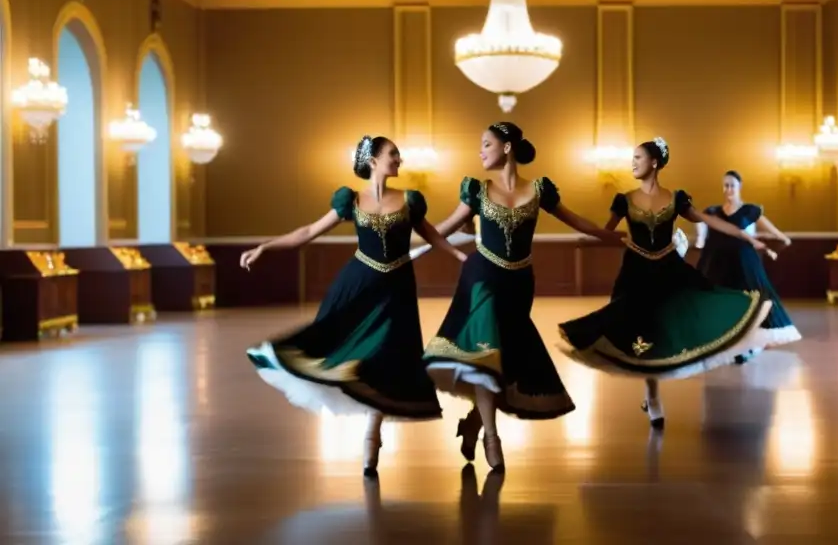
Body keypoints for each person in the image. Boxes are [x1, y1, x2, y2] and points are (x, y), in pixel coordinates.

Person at [242, 135, 467, 477]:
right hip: (357, 283)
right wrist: (265, 247)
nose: (399, 159)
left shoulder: (411, 200)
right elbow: (307, 232)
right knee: (342, 349)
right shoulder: (349, 200)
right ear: (374, 159)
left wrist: (459, 256)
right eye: (393, 154)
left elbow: (432, 236)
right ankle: (366, 425)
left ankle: (372, 433)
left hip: (397, 289)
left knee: (389, 356)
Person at [423, 122, 624, 472]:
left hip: (520, 282)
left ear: (506, 147)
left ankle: (473, 422)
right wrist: (400, 236)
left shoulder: (540, 190)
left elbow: (576, 221)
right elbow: (442, 228)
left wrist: (609, 237)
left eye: (486, 144)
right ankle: (491, 438)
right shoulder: (476, 190)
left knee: (506, 359)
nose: (480, 150)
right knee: (485, 350)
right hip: (482, 277)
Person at [557, 138, 775, 430]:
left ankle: (653, 394)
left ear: (655, 163)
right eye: (632, 158)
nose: (632, 162)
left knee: (664, 329)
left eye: (638, 157)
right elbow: (604, 231)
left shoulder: (676, 199)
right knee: (641, 332)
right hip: (635, 273)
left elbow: (709, 222)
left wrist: (746, 237)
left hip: (668, 269)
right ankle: (652, 395)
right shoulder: (625, 199)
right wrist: (587, 237)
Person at [695, 170, 800, 360]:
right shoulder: (713, 211)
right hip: (718, 264)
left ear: (739, 187)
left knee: (749, 301)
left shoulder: (749, 210)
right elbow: (701, 226)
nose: (728, 189)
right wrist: (700, 239)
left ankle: (750, 345)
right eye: (725, 185)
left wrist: (782, 239)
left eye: (732, 185)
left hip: (744, 263)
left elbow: (771, 229)